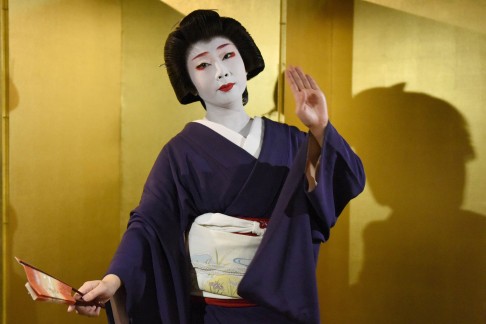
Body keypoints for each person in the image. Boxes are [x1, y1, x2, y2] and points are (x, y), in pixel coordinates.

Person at [68, 9, 365, 324]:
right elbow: (149, 225)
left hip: (279, 311)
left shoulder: (292, 142)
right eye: (203, 65)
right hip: (212, 314)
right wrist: (113, 281)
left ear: (245, 61)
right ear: (190, 84)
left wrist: (320, 130)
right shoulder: (181, 152)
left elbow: (346, 182)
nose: (221, 71)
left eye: (228, 55)